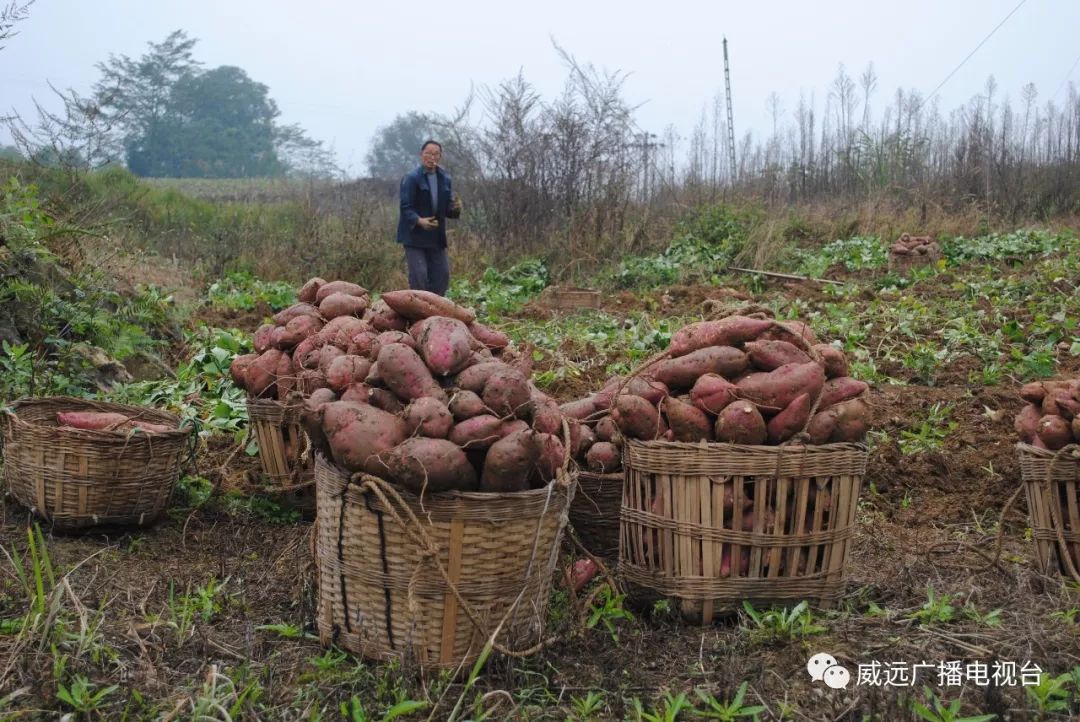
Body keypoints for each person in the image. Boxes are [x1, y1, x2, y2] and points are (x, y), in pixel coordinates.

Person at [396, 140, 462, 296]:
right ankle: (417, 313)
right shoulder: (411, 178)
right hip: (414, 236)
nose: (431, 157)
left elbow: (446, 210)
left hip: (436, 236)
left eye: (435, 154)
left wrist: (455, 209)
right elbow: (405, 207)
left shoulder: (445, 178)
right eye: (428, 153)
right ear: (421, 155)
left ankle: (434, 310)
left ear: (440, 156)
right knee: (419, 276)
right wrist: (419, 221)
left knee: (442, 275)